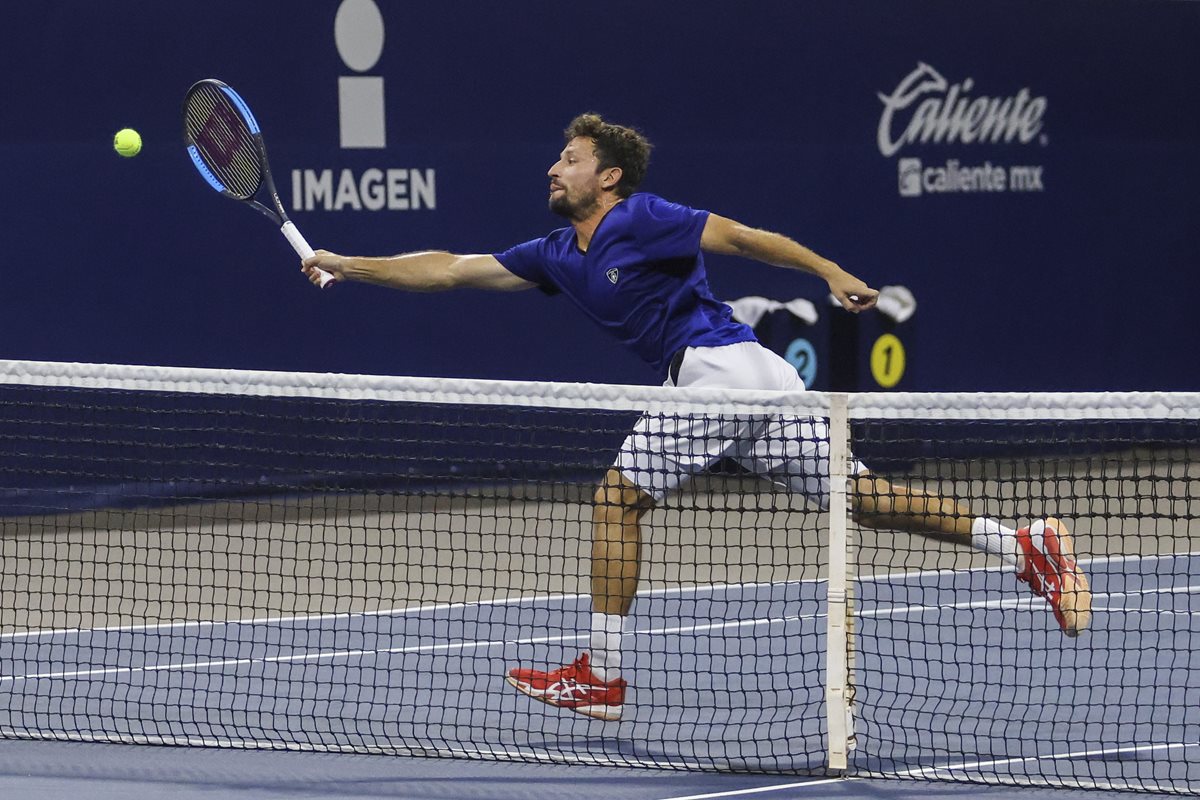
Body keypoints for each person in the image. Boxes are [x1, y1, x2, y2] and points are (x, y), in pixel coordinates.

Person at [302, 113, 1092, 723]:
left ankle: (602, 676)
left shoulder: (641, 216)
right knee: (864, 500)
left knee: (616, 501)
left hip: (722, 372)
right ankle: (1024, 544)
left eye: (570, 159)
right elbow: (448, 268)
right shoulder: (554, 254)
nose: (553, 167)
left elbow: (741, 237)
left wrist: (827, 270)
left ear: (608, 177)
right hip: (754, 380)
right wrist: (348, 264)